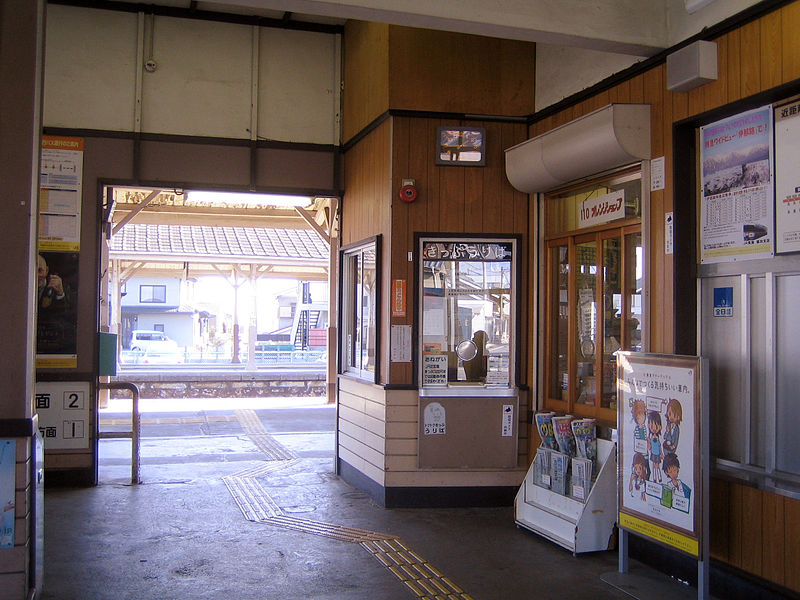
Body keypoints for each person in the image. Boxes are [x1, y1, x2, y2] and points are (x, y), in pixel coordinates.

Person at [647, 411, 663, 482]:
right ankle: (654, 478)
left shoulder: (658, 437)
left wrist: (661, 453)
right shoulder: (650, 437)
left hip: (657, 454)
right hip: (653, 453)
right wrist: (649, 442)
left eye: (656, 426)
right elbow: (649, 448)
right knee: (654, 466)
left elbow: (659, 446)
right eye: (651, 426)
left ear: (660, 427)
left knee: (657, 466)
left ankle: (659, 477)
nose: (653, 428)